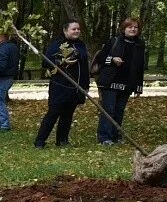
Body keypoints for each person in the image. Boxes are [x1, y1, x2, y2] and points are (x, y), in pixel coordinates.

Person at [34, 20, 90, 148]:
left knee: (68, 115)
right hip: (60, 86)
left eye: (78, 29)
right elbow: (47, 63)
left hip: (76, 87)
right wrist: (63, 62)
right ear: (65, 31)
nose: (76, 31)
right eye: (73, 29)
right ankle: (40, 141)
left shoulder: (81, 45)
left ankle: (62, 140)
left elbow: (84, 67)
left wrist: (85, 86)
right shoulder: (58, 44)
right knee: (53, 113)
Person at [92, 17, 146, 145]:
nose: (133, 29)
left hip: (127, 83)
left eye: (135, 27)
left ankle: (115, 136)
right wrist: (112, 60)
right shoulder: (114, 41)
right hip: (110, 81)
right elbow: (100, 58)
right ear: (124, 29)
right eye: (130, 27)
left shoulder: (140, 45)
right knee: (108, 109)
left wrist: (139, 87)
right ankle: (104, 137)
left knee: (119, 110)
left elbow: (140, 66)